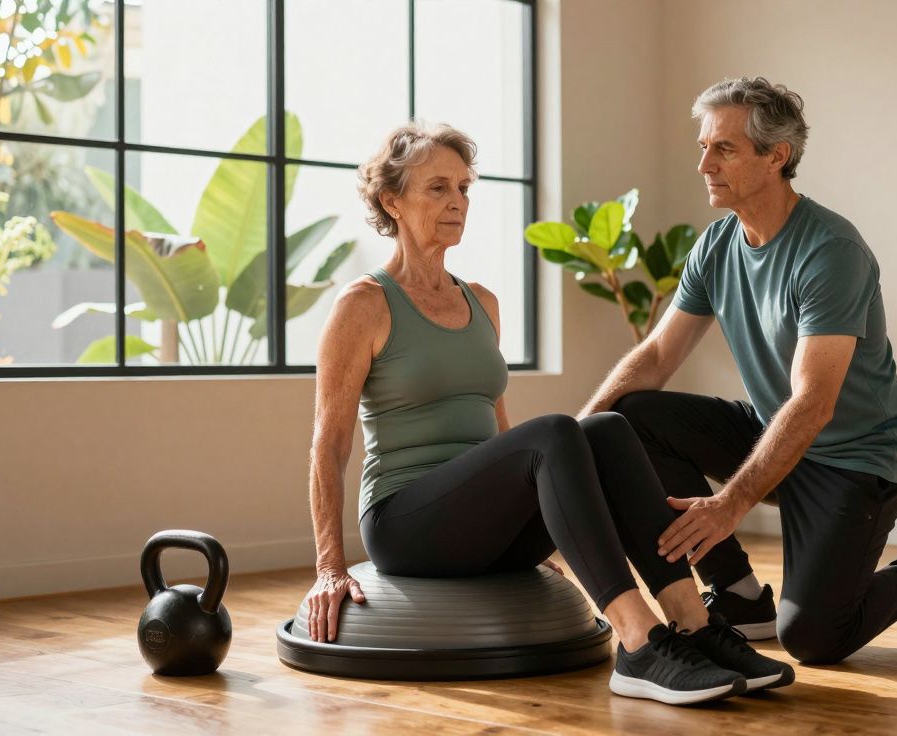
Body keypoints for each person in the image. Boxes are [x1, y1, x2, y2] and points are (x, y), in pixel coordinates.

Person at [302, 122, 793, 704]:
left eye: (463, 187)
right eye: (437, 188)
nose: (457, 201)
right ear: (392, 200)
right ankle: (639, 644)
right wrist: (329, 566)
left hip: (480, 524)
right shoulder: (363, 305)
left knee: (607, 427)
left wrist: (559, 530)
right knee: (559, 430)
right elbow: (328, 445)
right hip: (406, 522)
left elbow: (500, 433)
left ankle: (695, 624)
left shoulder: (481, 302)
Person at [579, 77, 897, 665]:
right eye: (703, 146)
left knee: (815, 640)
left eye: (724, 148)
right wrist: (574, 436)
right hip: (774, 427)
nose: (703, 164)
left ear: (777, 157)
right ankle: (740, 595)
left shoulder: (830, 251)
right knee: (630, 417)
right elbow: (658, 357)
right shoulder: (716, 245)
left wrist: (729, 505)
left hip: (854, 460)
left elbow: (815, 401)